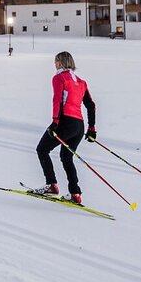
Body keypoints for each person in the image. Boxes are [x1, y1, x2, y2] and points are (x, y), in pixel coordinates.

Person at [29, 51, 97, 205]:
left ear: (60, 62)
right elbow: (90, 105)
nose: (54, 64)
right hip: (79, 126)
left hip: (65, 122)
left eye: (55, 62)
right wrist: (91, 128)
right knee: (67, 157)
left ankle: (51, 186)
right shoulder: (81, 82)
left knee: (42, 149)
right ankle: (75, 193)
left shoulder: (59, 78)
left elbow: (57, 100)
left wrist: (55, 122)